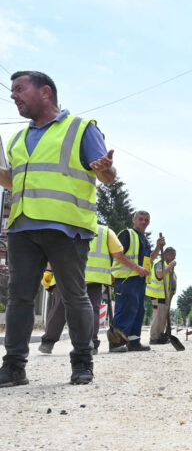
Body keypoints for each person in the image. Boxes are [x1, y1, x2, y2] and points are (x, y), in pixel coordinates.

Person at [0, 71, 117, 387]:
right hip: (22, 226)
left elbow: (106, 175)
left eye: (20, 89)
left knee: (75, 297)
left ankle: (82, 362)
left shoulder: (80, 129)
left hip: (67, 227)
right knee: (19, 298)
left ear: (46, 92)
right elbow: (16, 181)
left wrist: (107, 170)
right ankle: (13, 367)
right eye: (13, 91)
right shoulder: (17, 140)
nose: (14, 96)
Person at [39, 224, 147, 354]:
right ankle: (91, 343)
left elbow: (53, 252)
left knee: (59, 309)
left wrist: (49, 271)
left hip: (66, 275)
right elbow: (118, 254)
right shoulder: (105, 231)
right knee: (92, 310)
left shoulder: (66, 226)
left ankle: (48, 342)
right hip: (95, 277)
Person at [112, 211, 164, 352]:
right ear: (134, 220)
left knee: (138, 311)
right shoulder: (127, 234)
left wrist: (158, 248)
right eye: (140, 219)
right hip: (126, 279)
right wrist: (136, 268)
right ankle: (116, 343)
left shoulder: (144, 240)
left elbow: (149, 261)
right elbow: (117, 255)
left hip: (139, 281)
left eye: (146, 219)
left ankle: (134, 342)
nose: (143, 222)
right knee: (124, 310)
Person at [147, 247, 177, 345]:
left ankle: (159, 335)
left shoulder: (165, 264)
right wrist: (170, 266)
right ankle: (154, 337)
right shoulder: (160, 263)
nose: (174, 258)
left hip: (164, 295)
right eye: (173, 256)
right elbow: (160, 274)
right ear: (168, 254)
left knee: (162, 316)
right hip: (158, 294)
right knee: (159, 316)